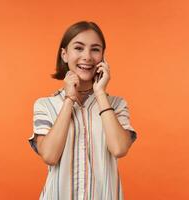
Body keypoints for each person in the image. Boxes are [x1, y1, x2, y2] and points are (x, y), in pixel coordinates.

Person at [28, 21, 137, 200]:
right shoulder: (45, 105)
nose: (87, 56)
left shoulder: (116, 104)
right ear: (64, 54)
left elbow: (119, 149)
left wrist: (100, 93)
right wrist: (69, 99)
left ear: (103, 58)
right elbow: (49, 156)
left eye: (95, 49)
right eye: (78, 48)